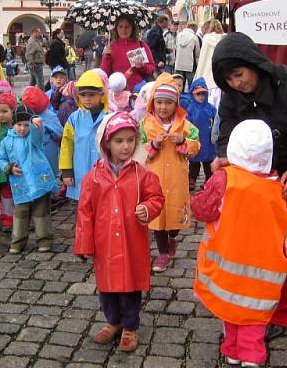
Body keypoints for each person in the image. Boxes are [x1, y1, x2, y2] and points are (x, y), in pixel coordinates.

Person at [210, 31, 287, 343]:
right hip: (253, 186)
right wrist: (223, 157)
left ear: (253, 63)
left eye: (238, 74)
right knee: (256, 250)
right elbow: (226, 133)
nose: (236, 83)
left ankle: (282, 315)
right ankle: (251, 303)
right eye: (229, 80)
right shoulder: (232, 96)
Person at [192, 119, 287, 368]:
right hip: (264, 268)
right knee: (254, 310)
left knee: (231, 308)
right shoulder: (275, 184)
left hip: (229, 261)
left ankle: (232, 349)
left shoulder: (226, 179)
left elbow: (203, 209)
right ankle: (251, 353)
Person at [75, 112, 164, 352]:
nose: (126, 146)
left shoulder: (141, 175)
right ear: (107, 143)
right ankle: (112, 321)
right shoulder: (93, 177)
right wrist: (84, 244)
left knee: (130, 286)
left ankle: (130, 326)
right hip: (104, 243)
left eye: (130, 140)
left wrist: (148, 208)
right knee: (107, 287)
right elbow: (85, 212)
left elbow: (156, 197)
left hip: (131, 241)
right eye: (119, 141)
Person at [141, 73, 200, 272]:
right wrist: (153, 145)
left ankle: (172, 237)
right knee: (158, 219)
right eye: (159, 102)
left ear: (175, 104)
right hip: (154, 179)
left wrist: (183, 142)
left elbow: (196, 146)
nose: (163, 107)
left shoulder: (185, 125)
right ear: (152, 102)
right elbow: (138, 152)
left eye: (168, 103)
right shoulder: (145, 125)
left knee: (174, 216)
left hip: (176, 179)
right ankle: (163, 253)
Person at [0, 104, 59, 253]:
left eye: (26, 125)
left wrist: (36, 122)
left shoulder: (33, 138)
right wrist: (8, 168)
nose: (22, 128)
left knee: (41, 213)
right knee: (21, 214)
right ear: (13, 124)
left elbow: (38, 132)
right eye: (19, 125)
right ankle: (18, 242)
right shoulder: (7, 141)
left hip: (39, 183)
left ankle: (45, 240)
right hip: (20, 185)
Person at [59, 70, 108, 201]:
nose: (87, 99)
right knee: (82, 209)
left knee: (103, 206)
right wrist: (66, 170)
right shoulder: (74, 119)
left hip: (105, 172)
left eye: (92, 95)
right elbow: (66, 145)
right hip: (81, 171)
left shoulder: (109, 117)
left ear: (101, 94)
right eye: (83, 95)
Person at [22, 86, 63, 192]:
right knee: (50, 174)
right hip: (49, 150)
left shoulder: (27, 117)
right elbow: (59, 133)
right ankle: (50, 195)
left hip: (34, 151)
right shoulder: (50, 115)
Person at [100, 15, 156, 91]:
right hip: (117, 91)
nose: (124, 30)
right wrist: (107, 57)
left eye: (127, 27)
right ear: (116, 28)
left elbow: (152, 68)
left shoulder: (141, 45)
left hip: (137, 91)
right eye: (120, 26)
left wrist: (142, 66)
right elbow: (104, 74)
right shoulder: (110, 47)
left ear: (132, 28)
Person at [0, 92, 17, 232]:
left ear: (13, 110)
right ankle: (7, 217)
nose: (1, 115)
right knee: (6, 192)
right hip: (3, 167)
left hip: (17, 166)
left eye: (5, 111)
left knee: (19, 190)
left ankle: (22, 216)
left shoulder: (19, 127)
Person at [185, 78, 217, 191]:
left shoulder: (211, 108)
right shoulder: (190, 109)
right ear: (193, 94)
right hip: (195, 140)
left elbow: (216, 122)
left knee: (208, 164)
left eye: (203, 93)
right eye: (198, 94)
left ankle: (208, 181)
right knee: (194, 163)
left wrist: (215, 135)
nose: (201, 96)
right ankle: (192, 179)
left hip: (208, 141)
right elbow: (186, 124)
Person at [194, 20, 225, 108]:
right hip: (220, 76)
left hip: (207, 76)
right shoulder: (225, 39)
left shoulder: (206, 39)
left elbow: (203, 58)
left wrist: (198, 76)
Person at [174, 22, 200, 89]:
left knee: (178, 87)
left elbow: (176, 48)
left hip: (178, 64)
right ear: (194, 28)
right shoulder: (195, 37)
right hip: (190, 65)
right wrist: (198, 65)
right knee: (192, 87)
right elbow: (197, 54)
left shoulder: (179, 35)